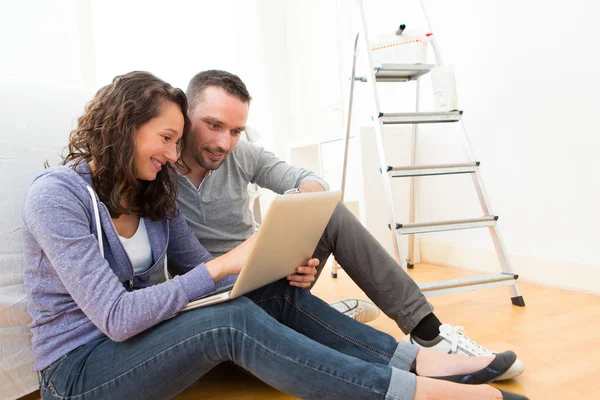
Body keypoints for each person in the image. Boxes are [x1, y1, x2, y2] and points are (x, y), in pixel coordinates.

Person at [22, 71, 527, 400]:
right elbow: (115, 317)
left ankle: (419, 358)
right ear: (124, 126)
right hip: (78, 372)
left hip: (143, 342)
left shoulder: (153, 191)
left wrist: (267, 270)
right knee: (232, 321)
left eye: (178, 140)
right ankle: (410, 393)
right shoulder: (57, 197)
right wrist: (226, 264)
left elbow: (210, 277)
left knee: (262, 295)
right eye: (167, 138)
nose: (175, 154)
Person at [176, 70, 524, 380]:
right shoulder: (156, 169)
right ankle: (337, 318)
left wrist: (295, 247)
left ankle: (428, 331)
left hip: (262, 276)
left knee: (330, 213)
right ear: (186, 114)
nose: (225, 142)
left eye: (236, 130)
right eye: (214, 125)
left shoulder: (243, 153)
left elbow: (310, 180)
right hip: (212, 294)